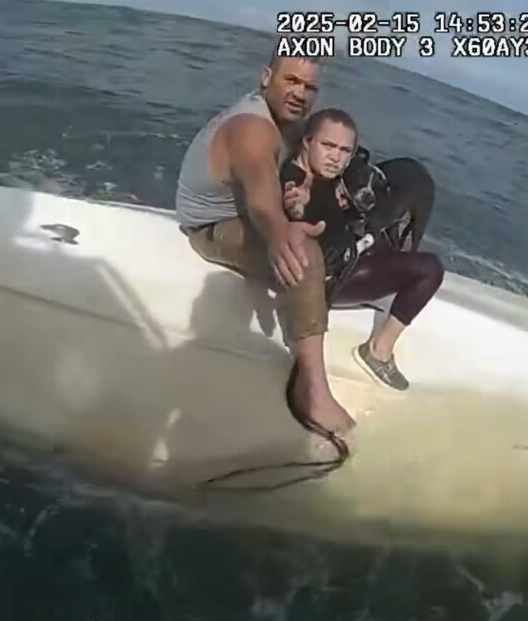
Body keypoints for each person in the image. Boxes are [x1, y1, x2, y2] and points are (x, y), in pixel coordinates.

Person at [175, 50, 352, 434]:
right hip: (211, 225)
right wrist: (278, 231)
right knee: (301, 251)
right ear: (266, 76)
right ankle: (313, 393)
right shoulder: (252, 129)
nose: (299, 94)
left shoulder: (285, 121)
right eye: (290, 81)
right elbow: (259, 195)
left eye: (309, 87)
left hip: (246, 211)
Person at [278, 108, 444, 391]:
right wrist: (298, 205)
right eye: (328, 146)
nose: (336, 157)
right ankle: (378, 352)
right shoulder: (298, 182)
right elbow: (298, 199)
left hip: (347, 253)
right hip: (332, 282)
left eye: (344, 150)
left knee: (397, 203)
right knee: (430, 269)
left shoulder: (325, 172)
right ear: (307, 142)